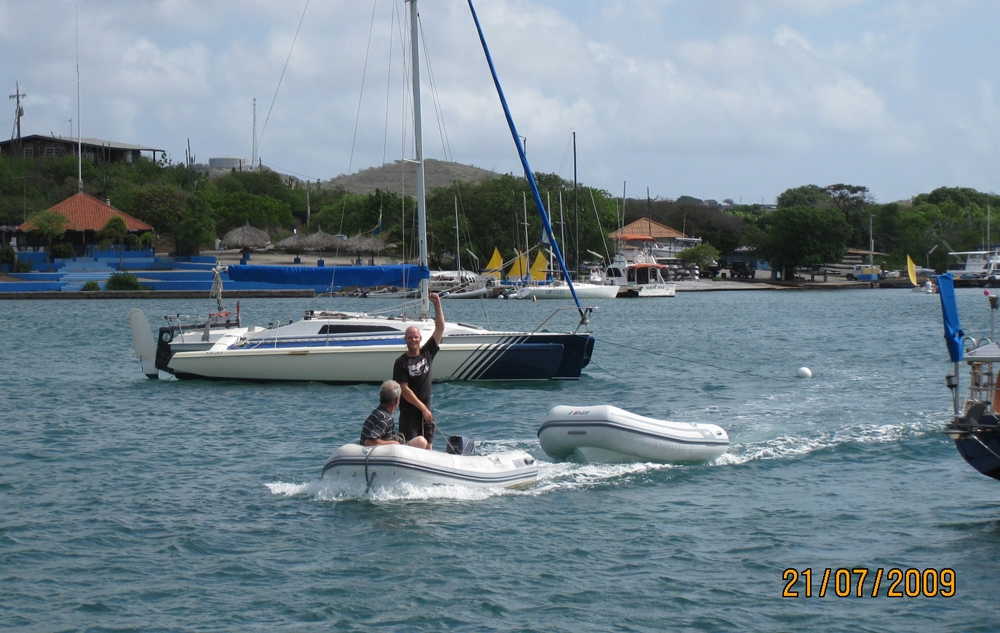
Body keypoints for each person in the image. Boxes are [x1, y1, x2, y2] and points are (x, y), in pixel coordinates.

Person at [392, 292, 445, 449]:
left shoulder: (427, 353)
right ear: (405, 340)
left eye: (416, 337)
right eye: (410, 338)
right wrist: (422, 408)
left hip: (426, 410)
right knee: (412, 446)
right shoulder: (401, 362)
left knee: (428, 445)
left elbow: (440, 327)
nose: (413, 340)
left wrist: (437, 304)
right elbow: (404, 389)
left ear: (420, 338)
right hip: (409, 413)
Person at [359, 380, 429, 449]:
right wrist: (394, 444)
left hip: (372, 454)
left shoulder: (375, 413)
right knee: (421, 441)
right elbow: (369, 442)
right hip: (378, 456)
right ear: (397, 400)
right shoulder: (385, 418)